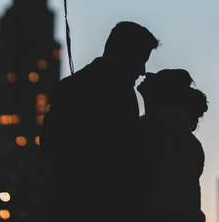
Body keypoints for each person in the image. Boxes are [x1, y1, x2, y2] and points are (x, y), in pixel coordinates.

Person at [40, 21, 159, 222]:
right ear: (124, 52)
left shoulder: (69, 86)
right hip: (106, 208)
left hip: (67, 205)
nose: (142, 70)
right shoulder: (122, 93)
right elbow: (129, 156)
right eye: (141, 59)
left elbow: (47, 143)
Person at [137, 69, 208, 222]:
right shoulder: (167, 134)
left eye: (159, 77)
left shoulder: (166, 137)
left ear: (166, 95)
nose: (148, 74)